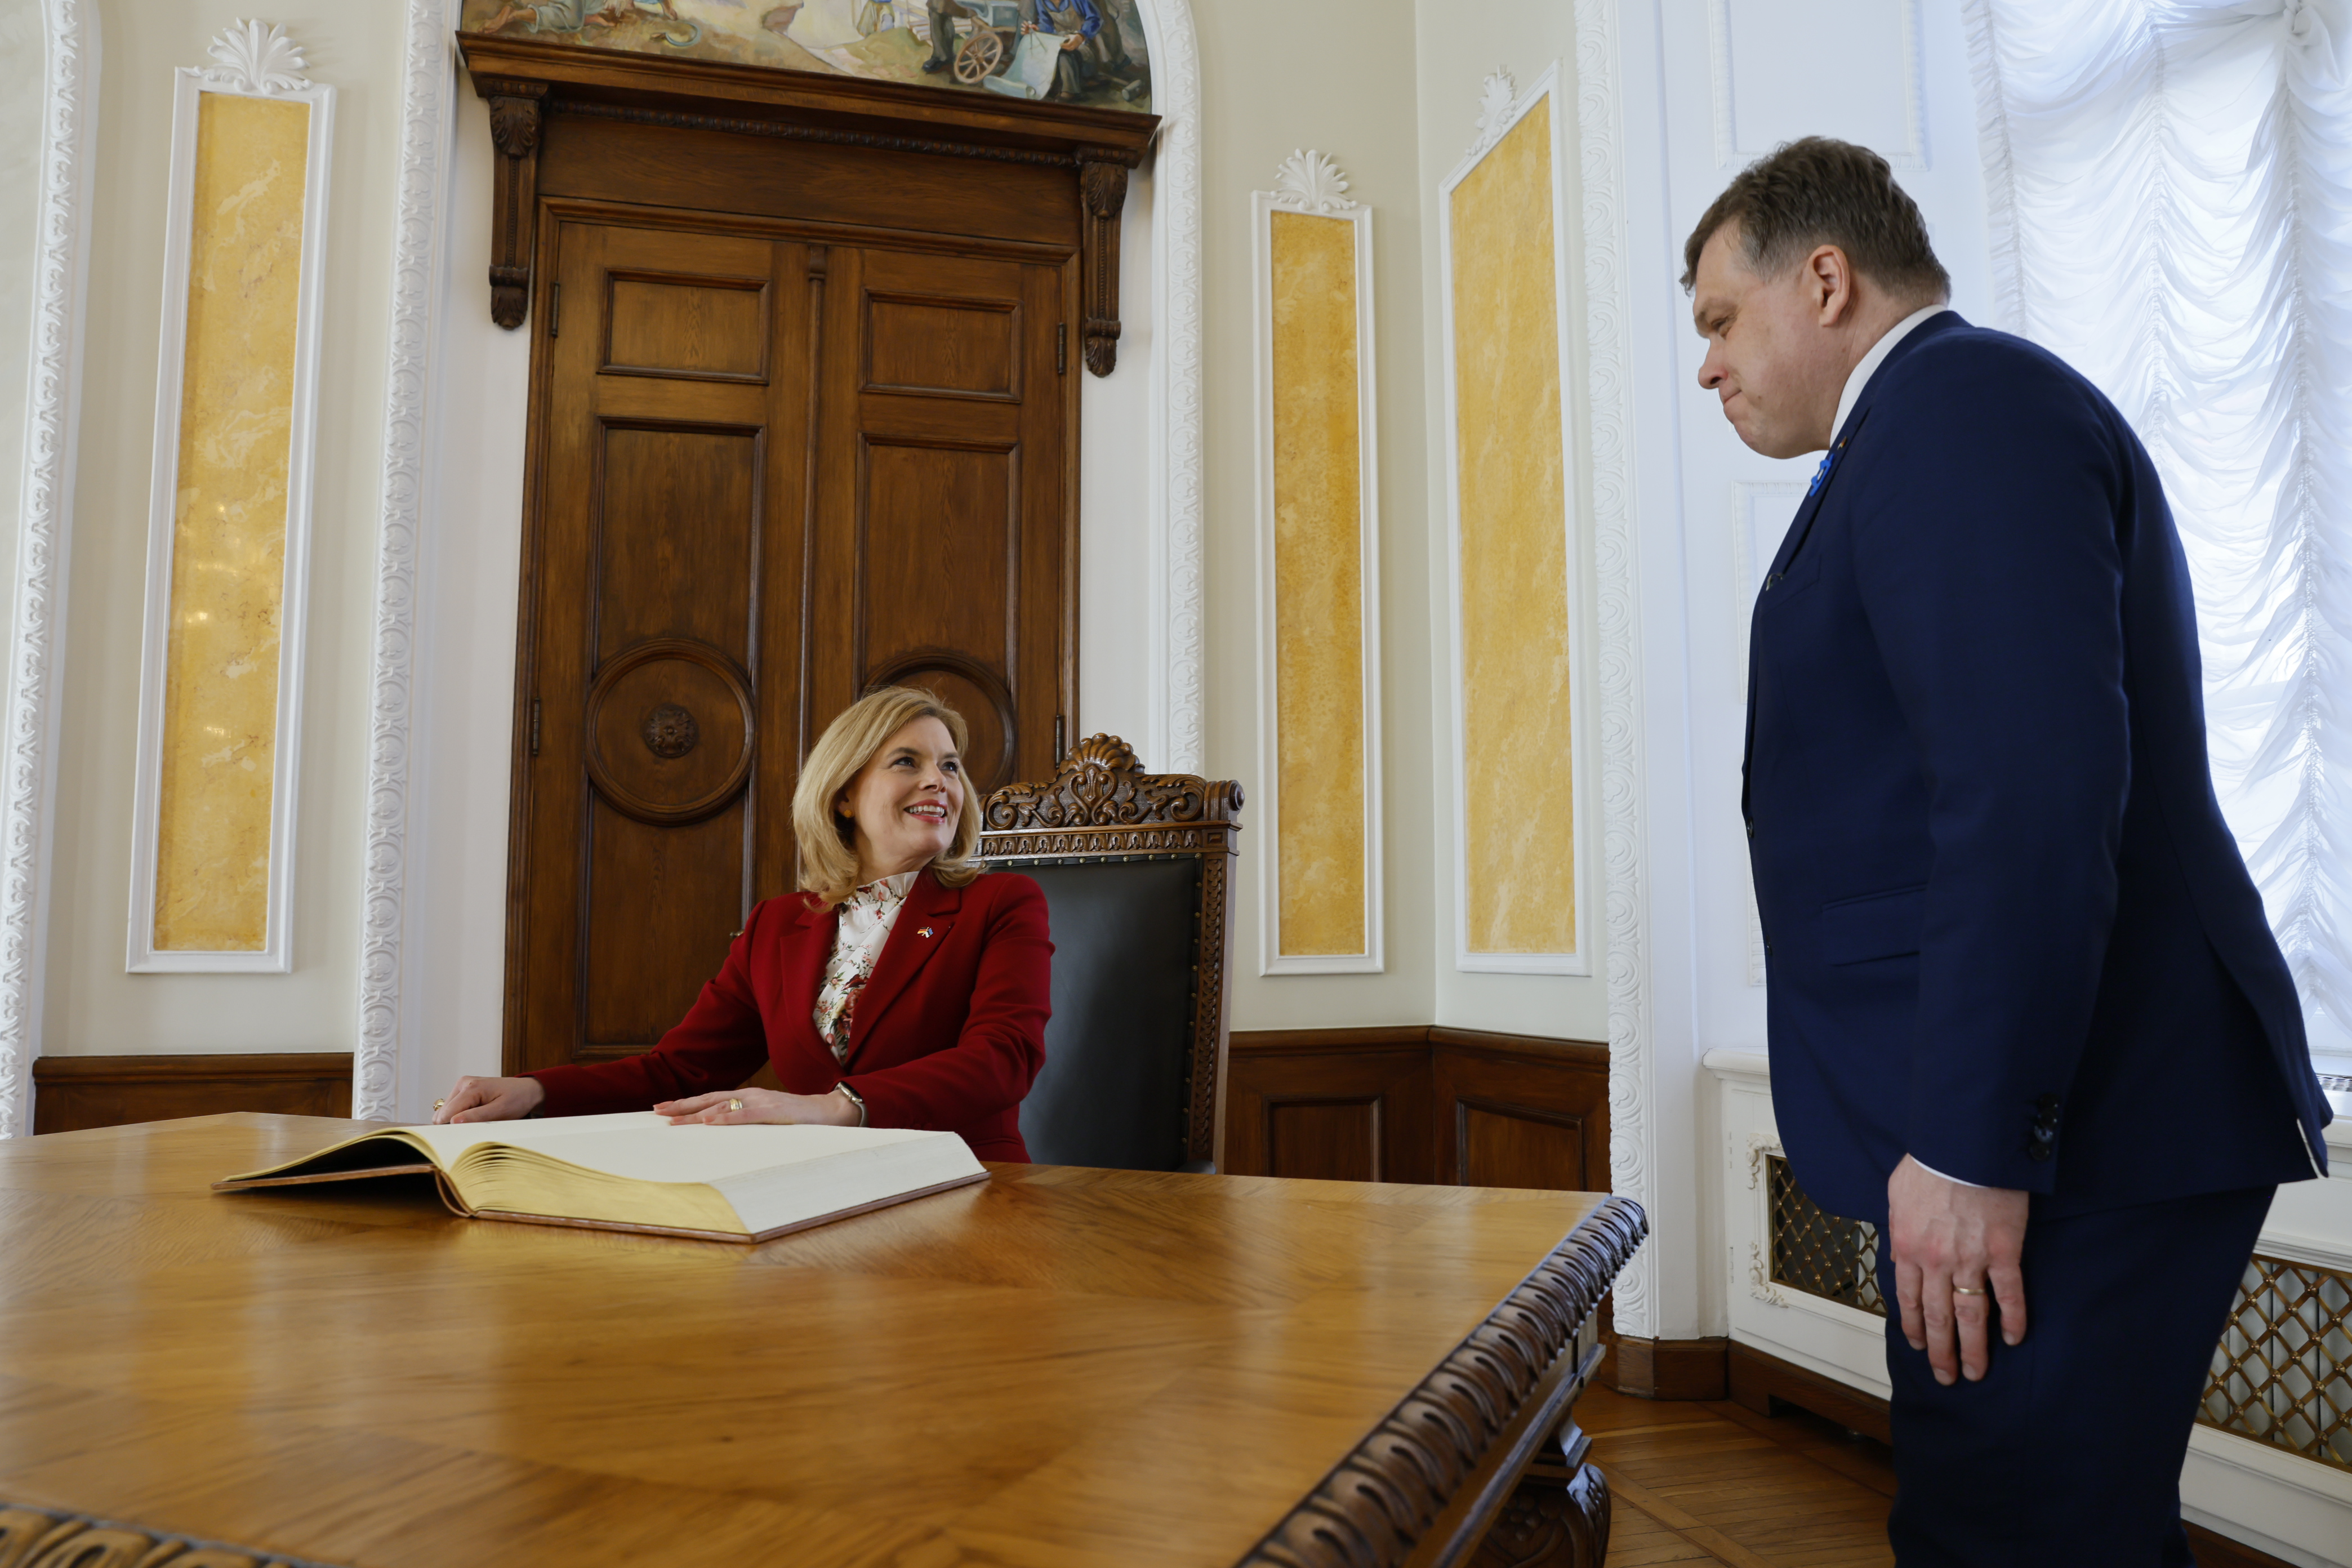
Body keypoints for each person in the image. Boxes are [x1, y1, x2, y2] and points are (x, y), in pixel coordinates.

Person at [1689, 137, 2332, 1564]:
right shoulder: (1918, 427)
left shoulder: (1958, 408)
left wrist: (1973, 1143)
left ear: (1825, 279)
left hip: (2070, 1127)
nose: (1709, 366)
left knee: (2015, 1536)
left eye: (1721, 319)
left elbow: (2027, 792)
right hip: (2053, 1120)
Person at [432, 687, 1052, 1162]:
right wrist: (536, 1092)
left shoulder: (1002, 903)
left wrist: (834, 1107)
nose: (938, 781)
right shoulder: (778, 925)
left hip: (967, 1181)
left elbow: (1004, 1057)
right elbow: (679, 1072)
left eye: (951, 766)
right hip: (818, 1192)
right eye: (907, 762)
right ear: (844, 794)